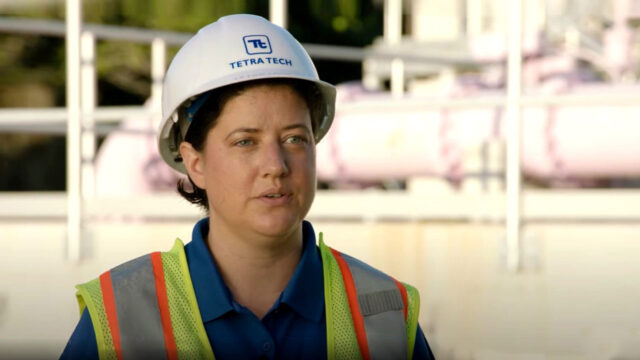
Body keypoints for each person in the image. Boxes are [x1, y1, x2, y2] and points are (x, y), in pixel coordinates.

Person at [61, 14, 435, 360]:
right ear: (195, 163)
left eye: (294, 139)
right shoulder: (119, 319)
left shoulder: (386, 313)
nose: (275, 166)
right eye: (245, 142)